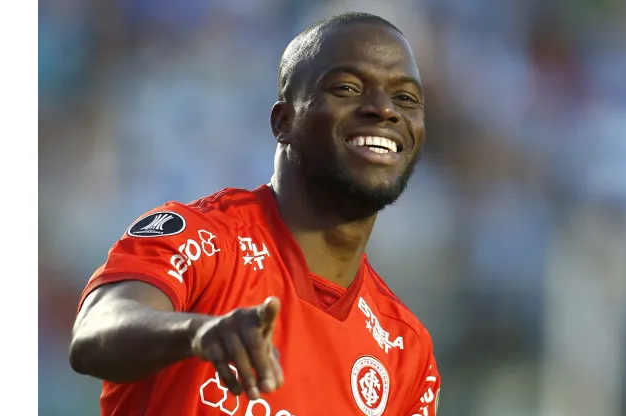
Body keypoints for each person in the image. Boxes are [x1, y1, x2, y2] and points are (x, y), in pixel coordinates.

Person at [69, 11, 441, 416]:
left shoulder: (407, 348)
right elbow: (96, 332)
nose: (384, 110)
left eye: (405, 98)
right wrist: (197, 332)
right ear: (284, 122)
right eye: (347, 88)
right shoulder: (203, 238)